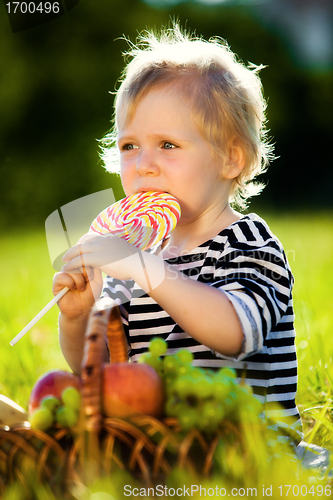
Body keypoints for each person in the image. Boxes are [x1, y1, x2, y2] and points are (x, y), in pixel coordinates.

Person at [53, 25, 302, 446]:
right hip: (162, 448)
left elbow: (236, 333)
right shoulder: (132, 254)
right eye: (129, 146)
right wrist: (76, 318)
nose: (143, 165)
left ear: (231, 158)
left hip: (249, 447)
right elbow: (102, 370)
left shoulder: (248, 243)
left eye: (167, 145)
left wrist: (147, 270)